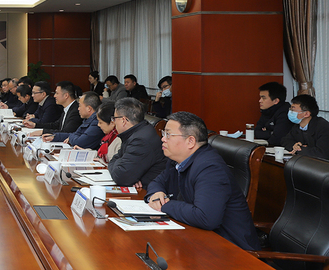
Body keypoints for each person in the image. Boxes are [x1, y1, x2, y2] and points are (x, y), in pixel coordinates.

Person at [146, 111, 259, 250]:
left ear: (190, 141)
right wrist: (157, 193)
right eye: (164, 133)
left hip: (230, 249)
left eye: (168, 134)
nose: (163, 139)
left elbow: (206, 218)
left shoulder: (210, 169)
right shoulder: (177, 160)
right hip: (198, 239)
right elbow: (157, 182)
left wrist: (165, 205)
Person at [107, 97, 167, 188]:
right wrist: (118, 163)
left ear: (123, 120)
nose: (114, 122)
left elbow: (121, 176)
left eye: (115, 118)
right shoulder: (137, 131)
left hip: (148, 191)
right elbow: (114, 159)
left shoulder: (140, 140)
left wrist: (117, 163)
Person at [280, 94, 329, 160]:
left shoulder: (323, 127)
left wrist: (300, 149)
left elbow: (322, 153)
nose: (290, 112)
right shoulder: (297, 125)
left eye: (293, 109)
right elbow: (285, 141)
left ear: (306, 114)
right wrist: (295, 146)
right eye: (290, 109)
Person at [254, 82, 293, 146]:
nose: (260, 101)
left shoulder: (285, 113)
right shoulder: (267, 110)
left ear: (276, 101)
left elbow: (277, 139)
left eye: (263, 98)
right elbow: (256, 132)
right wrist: (271, 133)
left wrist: (266, 132)